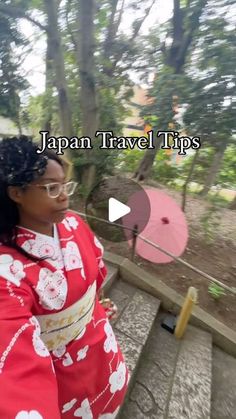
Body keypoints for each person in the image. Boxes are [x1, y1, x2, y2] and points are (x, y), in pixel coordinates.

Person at [0, 136, 129, 419]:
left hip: (101, 350)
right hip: (61, 372)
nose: (64, 196)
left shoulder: (74, 223)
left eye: (65, 186)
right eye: (51, 188)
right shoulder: (5, 271)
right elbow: (13, 362)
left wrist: (97, 304)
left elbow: (95, 274)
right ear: (16, 193)